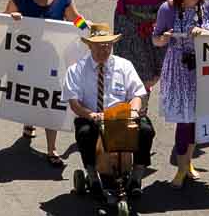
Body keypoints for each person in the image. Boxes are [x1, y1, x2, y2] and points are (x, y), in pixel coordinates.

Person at [6, 0, 82, 163]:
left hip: (53, 61)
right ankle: (29, 121)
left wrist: (90, 31)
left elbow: (76, 19)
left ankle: (51, 149)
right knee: (30, 94)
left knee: (52, 101)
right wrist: (13, 20)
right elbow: (3, 20)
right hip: (27, 58)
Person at [155, 0, 209, 187]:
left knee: (195, 119)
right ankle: (182, 167)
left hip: (202, 69)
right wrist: (163, 39)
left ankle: (188, 164)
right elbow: (155, 38)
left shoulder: (208, 6)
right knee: (183, 121)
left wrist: (206, 34)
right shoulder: (168, 9)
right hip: (178, 69)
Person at [65, 24, 157, 186]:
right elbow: (74, 103)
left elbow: (137, 94)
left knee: (146, 130)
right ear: (90, 45)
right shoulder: (76, 70)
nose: (104, 50)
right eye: (100, 46)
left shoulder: (124, 66)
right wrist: (91, 115)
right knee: (84, 133)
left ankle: (137, 174)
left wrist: (134, 110)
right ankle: (92, 174)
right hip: (93, 116)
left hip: (121, 117)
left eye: (108, 46)